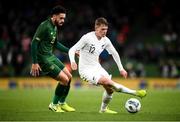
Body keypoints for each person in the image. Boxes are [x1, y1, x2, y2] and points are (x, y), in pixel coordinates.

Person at [68, 17, 147, 114]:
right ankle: (135, 93)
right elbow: (72, 49)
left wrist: (121, 69)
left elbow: (115, 53)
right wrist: (72, 61)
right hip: (86, 70)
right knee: (107, 81)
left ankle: (103, 109)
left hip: (97, 67)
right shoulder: (87, 38)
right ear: (96, 28)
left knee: (109, 90)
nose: (104, 32)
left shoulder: (106, 40)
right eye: (102, 29)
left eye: (106, 29)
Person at [30, 5, 75, 112]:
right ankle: (53, 105)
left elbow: (56, 44)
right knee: (64, 79)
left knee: (69, 77)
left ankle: (62, 103)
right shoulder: (44, 26)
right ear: (54, 16)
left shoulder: (54, 27)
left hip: (50, 56)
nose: (62, 20)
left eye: (64, 18)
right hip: (43, 59)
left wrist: (70, 51)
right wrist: (35, 62)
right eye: (61, 18)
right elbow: (33, 43)